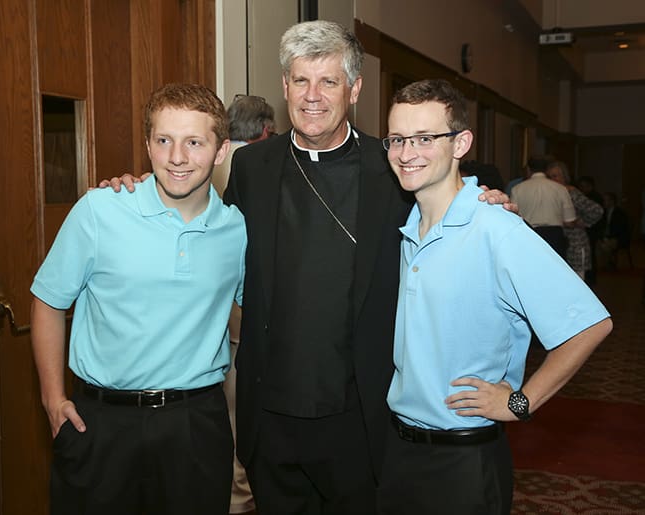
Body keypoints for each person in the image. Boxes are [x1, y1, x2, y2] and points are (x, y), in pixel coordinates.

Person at [103, 21, 514, 515]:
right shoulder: (252, 167)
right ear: (284, 87)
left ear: (355, 88)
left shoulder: (393, 168)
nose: (312, 96)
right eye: (300, 80)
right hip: (271, 418)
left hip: (361, 418)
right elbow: (203, 230)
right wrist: (134, 188)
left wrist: (485, 198)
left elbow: (445, 206)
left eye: (329, 81)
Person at [378, 78, 612, 514]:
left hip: (464, 461)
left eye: (426, 138)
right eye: (397, 139)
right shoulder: (409, 226)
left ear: (461, 142)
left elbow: (591, 324)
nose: (407, 153)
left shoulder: (496, 228)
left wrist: (520, 402)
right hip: (400, 451)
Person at [30, 83, 246, 515]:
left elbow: (251, 316)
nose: (177, 158)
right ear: (147, 144)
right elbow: (48, 301)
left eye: (194, 143)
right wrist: (53, 401)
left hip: (196, 424)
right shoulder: (101, 210)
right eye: (164, 140)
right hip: (102, 422)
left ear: (220, 151)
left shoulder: (236, 229)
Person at [217, 93, 276, 515]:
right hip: (248, 324)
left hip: (210, 327)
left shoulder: (209, 160)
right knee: (243, 430)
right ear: (266, 130)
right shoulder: (260, 168)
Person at [511, 154, 577, 259]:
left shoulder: (517, 189)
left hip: (529, 235)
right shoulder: (560, 188)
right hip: (555, 236)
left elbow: (513, 217)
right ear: (547, 169)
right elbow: (570, 221)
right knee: (555, 271)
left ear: (528, 169)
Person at [547, 160, 604, 279]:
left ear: (564, 176)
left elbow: (597, 210)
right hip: (560, 243)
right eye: (550, 177)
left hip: (576, 244)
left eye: (555, 176)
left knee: (578, 281)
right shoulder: (552, 193)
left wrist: (579, 222)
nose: (552, 180)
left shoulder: (571, 192)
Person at [598, 192, 631, 269]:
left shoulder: (620, 213)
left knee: (605, 245)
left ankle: (609, 263)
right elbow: (601, 227)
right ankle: (606, 262)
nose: (603, 203)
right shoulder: (603, 212)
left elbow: (620, 230)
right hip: (606, 237)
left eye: (605, 200)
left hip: (618, 238)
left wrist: (609, 238)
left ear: (612, 201)